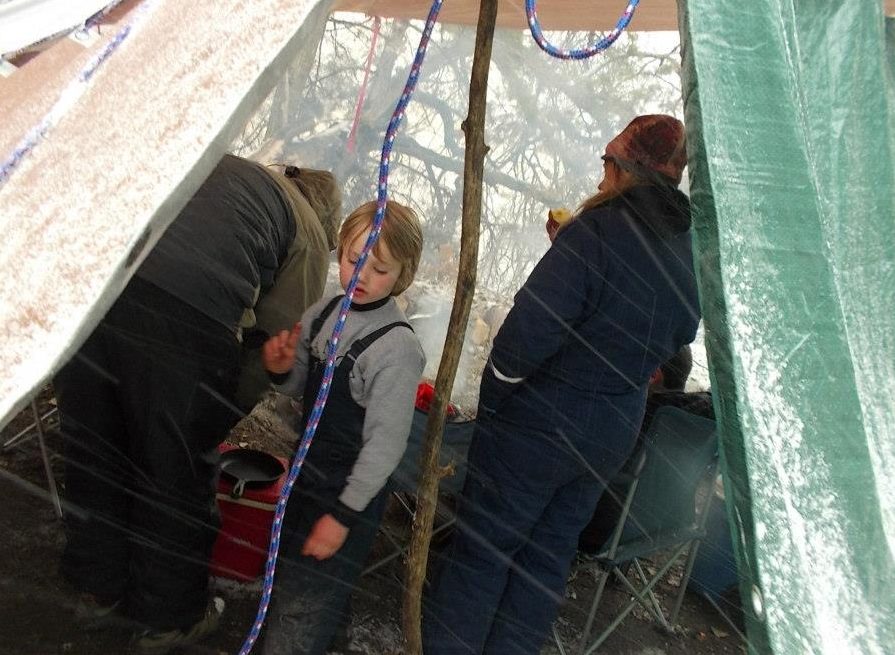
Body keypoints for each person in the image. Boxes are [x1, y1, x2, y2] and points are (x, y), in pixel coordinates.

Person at [423, 114, 701, 654]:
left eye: (606, 165)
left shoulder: (597, 232)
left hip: (543, 424)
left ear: (626, 168)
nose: (600, 181)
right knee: (545, 560)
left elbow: (524, 339)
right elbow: (678, 330)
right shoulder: (686, 246)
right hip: (613, 428)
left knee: (484, 552)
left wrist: (498, 399)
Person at [53, 154, 341, 654]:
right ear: (329, 217)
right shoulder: (310, 231)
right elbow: (278, 340)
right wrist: (218, 414)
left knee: (97, 444)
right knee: (175, 471)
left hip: (100, 285)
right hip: (184, 316)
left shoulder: (229, 166)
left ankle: (95, 586)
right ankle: (169, 617)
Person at [259, 200, 426, 655]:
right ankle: (327, 642)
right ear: (339, 252)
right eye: (354, 260)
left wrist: (341, 516)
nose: (361, 276)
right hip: (305, 476)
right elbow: (300, 389)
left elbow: (385, 447)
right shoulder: (324, 312)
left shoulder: (395, 349)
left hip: (348, 491)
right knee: (296, 582)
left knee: (305, 598)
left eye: (379, 269)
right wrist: (280, 369)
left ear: (403, 275)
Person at [577, 344, 715, 554]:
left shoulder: (641, 416)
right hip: (665, 526)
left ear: (653, 374)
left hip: (604, 530)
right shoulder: (695, 417)